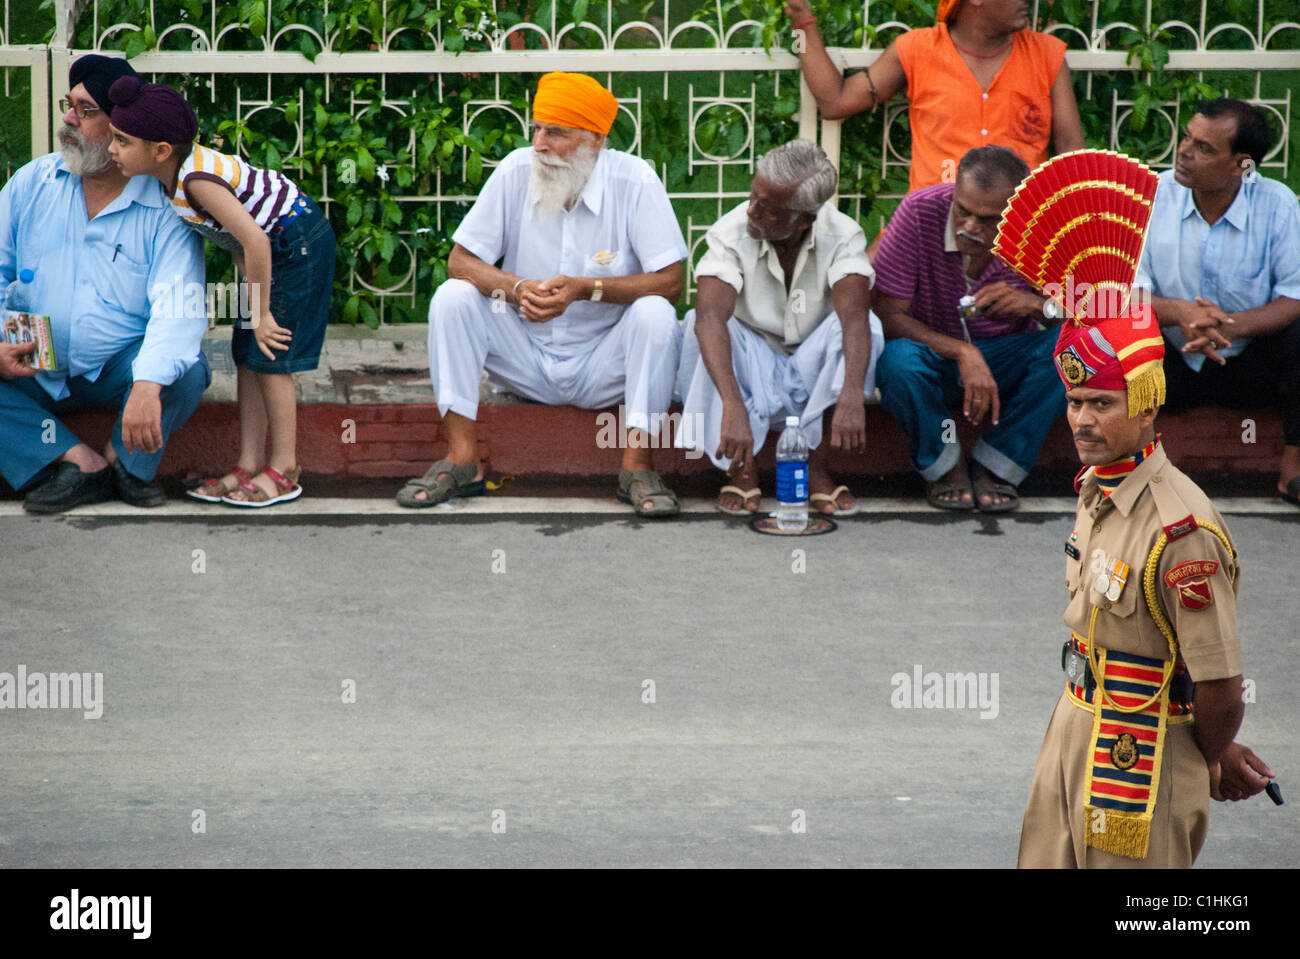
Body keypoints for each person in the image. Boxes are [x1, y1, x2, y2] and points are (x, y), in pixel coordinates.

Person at [1017, 305, 1275, 868]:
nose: (1082, 420)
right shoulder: (1098, 486)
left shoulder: (1182, 531)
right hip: (1073, 724)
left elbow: (1221, 685)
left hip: (1140, 753)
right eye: (1075, 402)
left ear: (1147, 405)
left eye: (1102, 404)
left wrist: (1205, 755)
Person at [401, 72, 688, 516]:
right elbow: (461, 261)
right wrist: (515, 289)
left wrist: (584, 289)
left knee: (654, 313)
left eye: (555, 132)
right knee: (451, 297)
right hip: (525, 356)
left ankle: (638, 465)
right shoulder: (517, 171)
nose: (539, 143)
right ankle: (463, 460)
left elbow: (671, 282)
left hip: (604, 364)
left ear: (595, 139)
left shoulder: (636, 183)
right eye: (536, 128)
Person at [106, 77, 337, 508]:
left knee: (271, 356)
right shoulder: (169, 178)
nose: (112, 149)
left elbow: (257, 238)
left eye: (122, 140)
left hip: (297, 244)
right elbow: (236, 240)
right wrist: (250, 303)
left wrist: (262, 313)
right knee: (246, 356)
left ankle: (284, 468)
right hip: (269, 253)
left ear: (159, 151)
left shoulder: (196, 180)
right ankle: (250, 464)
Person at [0, 55, 208, 513]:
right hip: (33, 358)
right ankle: (76, 462)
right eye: (68, 105)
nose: (68, 120)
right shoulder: (31, 184)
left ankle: (123, 465)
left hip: (119, 367)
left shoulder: (162, 205)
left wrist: (148, 382)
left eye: (86, 110)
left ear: (121, 126)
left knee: (187, 373)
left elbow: (179, 305)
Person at [677, 139, 882, 515]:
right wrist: (732, 405)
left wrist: (853, 394)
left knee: (868, 324)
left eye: (768, 209)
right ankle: (741, 468)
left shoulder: (843, 235)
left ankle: (817, 467)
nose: (752, 212)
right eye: (753, 197)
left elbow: (853, 318)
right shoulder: (732, 231)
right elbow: (709, 317)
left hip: (809, 364)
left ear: (805, 218)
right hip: (752, 360)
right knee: (696, 324)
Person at [872, 145, 1063, 511]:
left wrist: (1036, 305)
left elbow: (1080, 313)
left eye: (989, 220)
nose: (971, 227)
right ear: (954, 194)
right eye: (963, 211)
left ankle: (998, 465)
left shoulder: (1044, 230)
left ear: (1019, 212)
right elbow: (888, 315)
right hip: (931, 358)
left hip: (1004, 361)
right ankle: (944, 465)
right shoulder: (918, 211)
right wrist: (962, 351)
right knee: (897, 362)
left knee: (1072, 347)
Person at [1134, 98, 1300, 509]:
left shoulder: (1277, 204)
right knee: (1109, 327)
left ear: (1241, 165)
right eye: (1187, 137)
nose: (1185, 151)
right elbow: (1129, 292)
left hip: (1248, 364)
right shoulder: (1153, 195)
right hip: (1170, 361)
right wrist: (1182, 314)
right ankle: (1128, 465)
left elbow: (1295, 293)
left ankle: (1293, 467)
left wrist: (1230, 326)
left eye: (1205, 148)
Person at [783, 0, 1084, 194]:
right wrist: (801, 24)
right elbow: (835, 101)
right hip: (932, 222)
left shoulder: (1047, 55)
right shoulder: (917, 50)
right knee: (865, 280)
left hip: (1020, 227)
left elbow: (1073, 152)